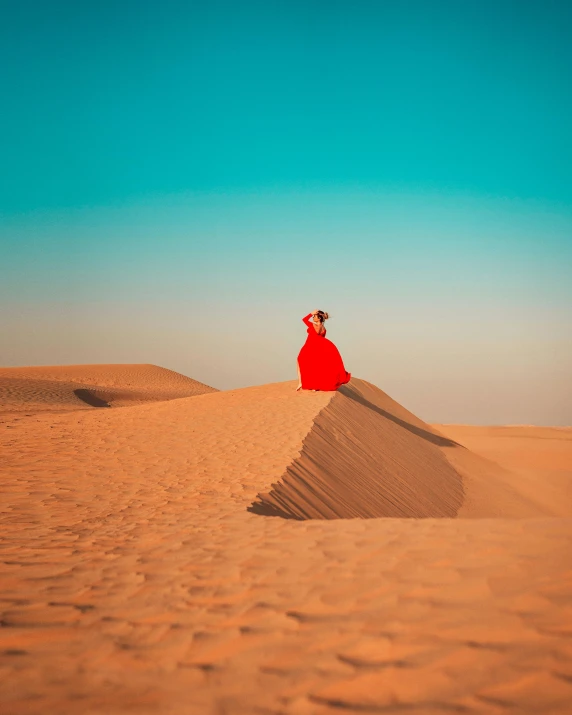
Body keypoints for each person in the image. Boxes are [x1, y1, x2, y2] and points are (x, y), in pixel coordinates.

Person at [296, 310, 351, 391]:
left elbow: (304, 319)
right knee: (315, 366)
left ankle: (301, 383)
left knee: (300, 361)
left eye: (315, 316)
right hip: (318, 347)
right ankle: (314, 385)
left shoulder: (313, 325)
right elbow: (322, 338)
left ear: (319, 318)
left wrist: (311, 313)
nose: (313, 318)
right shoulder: (323, 328)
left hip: (309, 347)